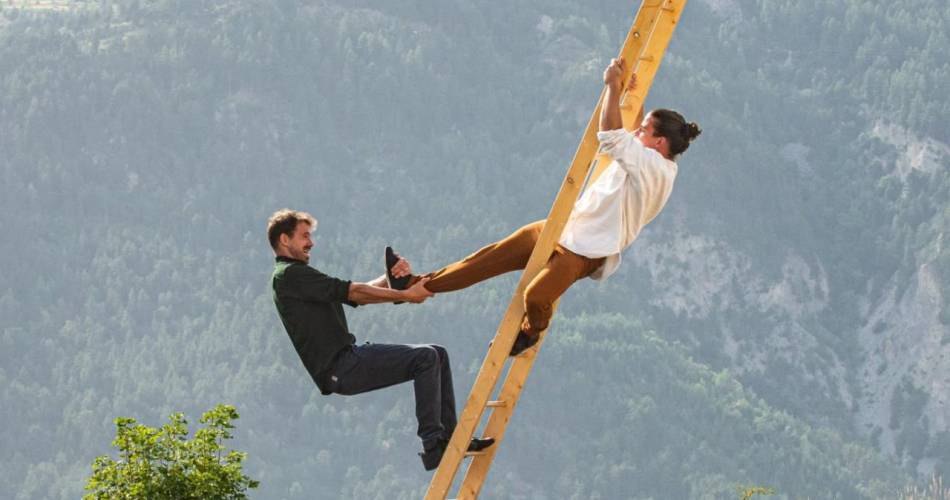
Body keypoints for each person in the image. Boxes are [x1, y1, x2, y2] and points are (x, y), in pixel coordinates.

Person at [390, 58, 702, 356]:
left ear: (659, 143)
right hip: (566, 226)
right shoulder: (651, 159)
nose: (637, 132)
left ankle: (531, 330)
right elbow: (629, 129)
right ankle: (421, 284)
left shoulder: (655, 169)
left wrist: (611, 85)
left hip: (587, 251)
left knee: (536, 297)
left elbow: (611, 136)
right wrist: (629, 90)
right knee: (487, 258)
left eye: (644, 131)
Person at [268, 209, 494, 471]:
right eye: (305, 236)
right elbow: (355, 292)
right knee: (426, 358)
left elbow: (355, 292)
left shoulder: (295, 276)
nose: (311, 242)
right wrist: (408, 295)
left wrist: (391, 280)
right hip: (340, 367)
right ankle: (434, 446)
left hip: (347, 360)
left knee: (437, 353)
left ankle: (451, 439)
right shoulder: (289, 275)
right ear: (285, 240)